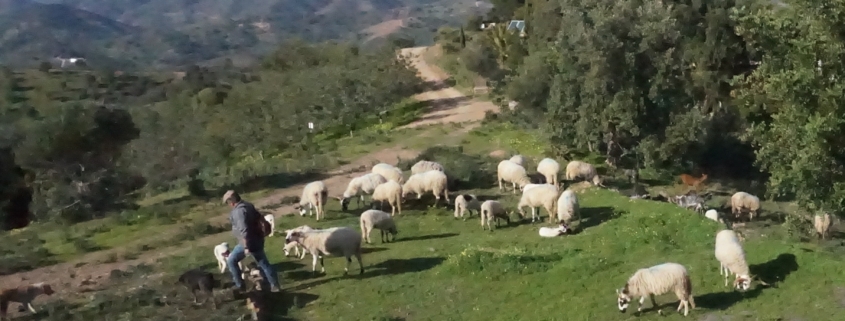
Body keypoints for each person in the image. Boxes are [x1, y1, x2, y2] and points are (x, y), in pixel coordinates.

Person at [222, 190, 281, 292]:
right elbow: (259, 217)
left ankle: (240, 285)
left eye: (228, 201)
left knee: (231, 261)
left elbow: (244, 230)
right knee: (264, 263)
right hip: (257, 238)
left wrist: (245, 247)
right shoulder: (248, 205)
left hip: (249, 242)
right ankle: (275, 286)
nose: (229, 204)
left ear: (233, 200)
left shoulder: (239, 211)